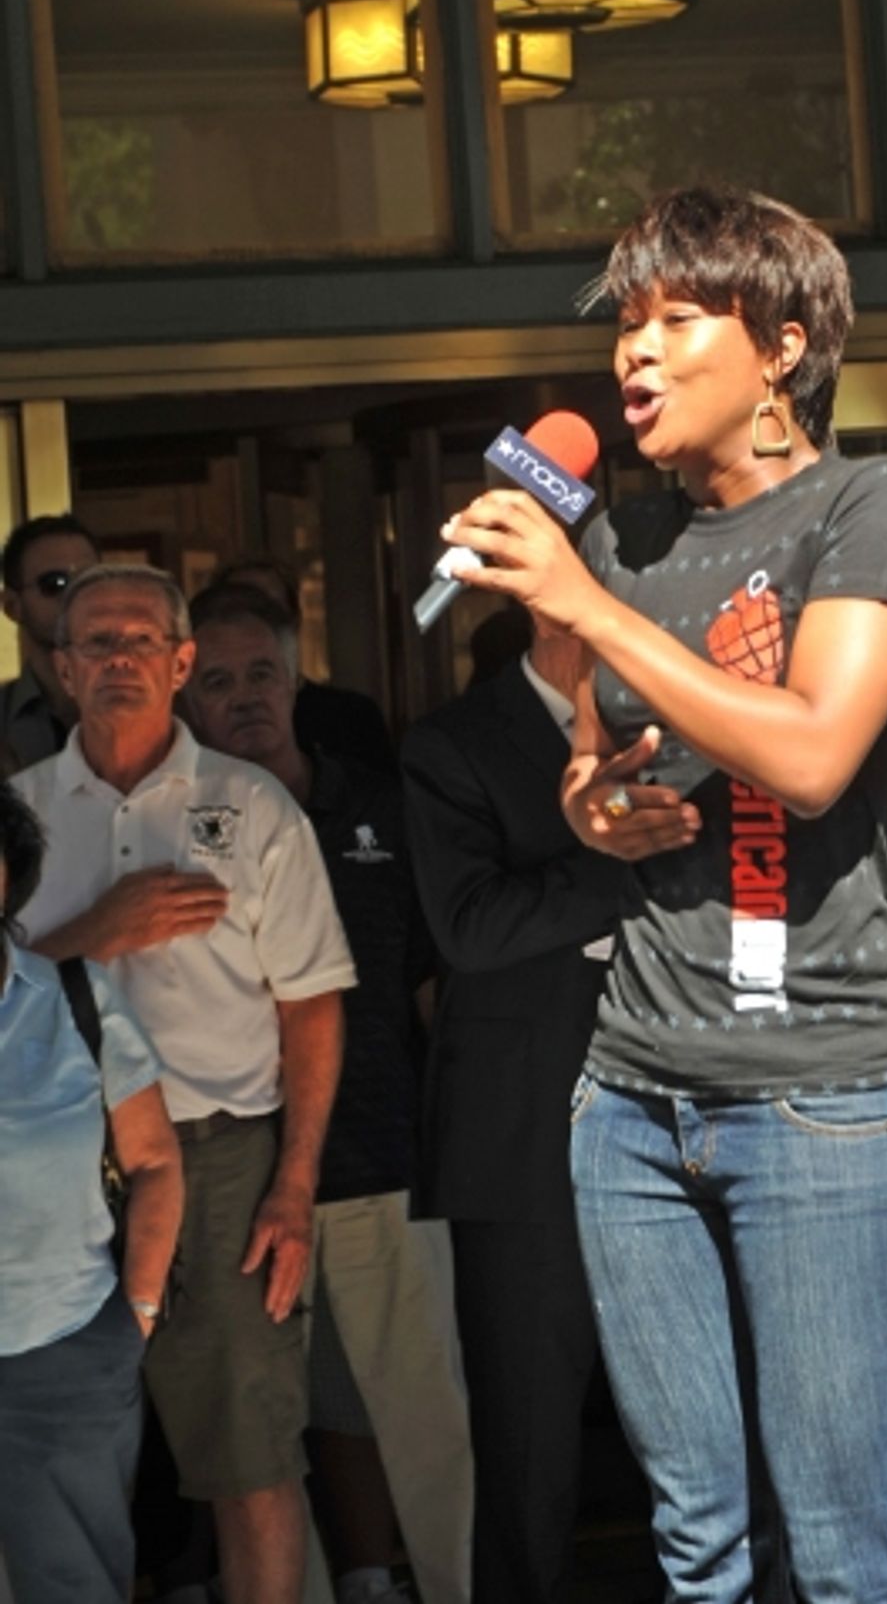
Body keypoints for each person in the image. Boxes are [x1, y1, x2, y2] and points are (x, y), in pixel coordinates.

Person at [434, 184, 887, 1604]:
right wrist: (590, 805)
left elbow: (814, 751)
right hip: (630, 1100)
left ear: (782, 346)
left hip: (826, 1101)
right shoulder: (627, 538)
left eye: (675, 319)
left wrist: (582, 606)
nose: (633, 354)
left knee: (852, 1550)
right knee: (695, 1546)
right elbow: (595, 772)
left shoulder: (872, 504)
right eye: (626, 324)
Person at [9, 562, 356, 1604]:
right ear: (62, 669)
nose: (120, 661)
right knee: (56, 1457)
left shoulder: (251, 809)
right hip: (47, 1175)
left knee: (250, 1456)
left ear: (181, 661)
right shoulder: (17, 816)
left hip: (221, 1164)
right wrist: (91, 934)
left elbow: (312, 1002)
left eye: (140, 641)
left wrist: (294, 1187)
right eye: (97, 645)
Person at [184, 581, 474, 1604]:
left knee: (429, 1418)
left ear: (296, 676)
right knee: (263, 1440)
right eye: (216, 680)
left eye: (260, 671)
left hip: (385, 1160)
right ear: (185, 693)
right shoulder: (177, 830)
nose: (244, 697)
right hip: (242, 1182)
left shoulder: (377, 808)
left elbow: (436, 988)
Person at [403, 606, 625, 1604]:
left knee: (722, 1426)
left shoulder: (691, 716)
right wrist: (630, 860)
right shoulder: (454, 743)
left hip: (699, 1111)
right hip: (524, 1136)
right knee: (527, 1450)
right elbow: (469, 926)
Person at [0, 776, 184, 1604]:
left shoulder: (75, 998)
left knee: (74, 1588)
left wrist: (134, 1315)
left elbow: (154, 1164)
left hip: (64, 1350)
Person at [206, 558, 397, 776]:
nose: (255, 624)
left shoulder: (352, 717)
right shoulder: (202, 725)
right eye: (239, 611)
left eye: (269, 611)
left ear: (295, 619)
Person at [0, 512, 100, 769]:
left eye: (90, 580)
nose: (76, 595)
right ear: (12, 606)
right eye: (54, 583)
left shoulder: (144, 700)